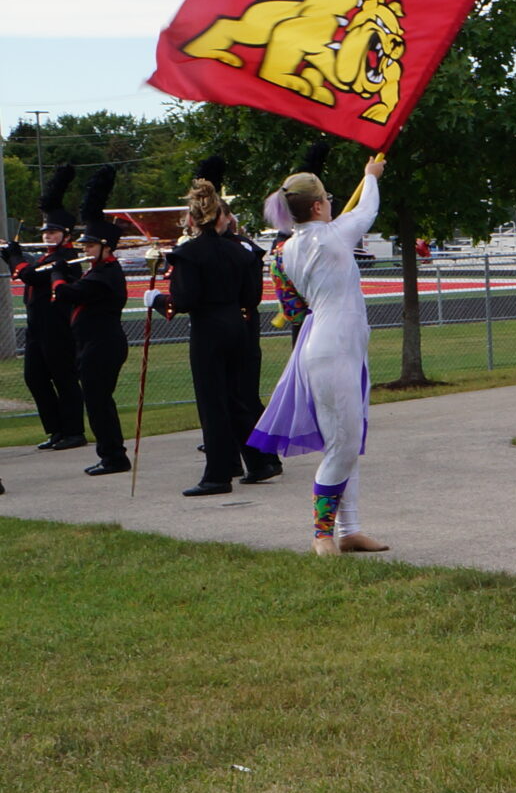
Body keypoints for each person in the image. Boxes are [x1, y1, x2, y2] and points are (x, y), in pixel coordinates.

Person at [249, 149, 388, 554]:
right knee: (342, 444)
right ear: (316, 205)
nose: (332, 201)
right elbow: (368, 209)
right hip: (333, 350)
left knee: (348, 438)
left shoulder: (284, 252)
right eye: (327, 197)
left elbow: (293, 309)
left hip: (332, 346)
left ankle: (351, 529)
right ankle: (322, 533)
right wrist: (372, 174)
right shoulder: (335, 234)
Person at [151, 158, 278, 495]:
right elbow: (251, 294)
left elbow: (185, 300)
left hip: (209, 329)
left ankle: (218, 474)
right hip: (239, 325)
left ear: (192, 218)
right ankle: (259, 460)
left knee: (213, 402)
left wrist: (158, 301)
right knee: (239, 398)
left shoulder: (188, 254)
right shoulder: (241, 251)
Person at [6, 164, 86, 450]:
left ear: (65, 234)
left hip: (57, 325)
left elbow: (28, 275)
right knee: (35, 377)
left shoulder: (67, 257)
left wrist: (14, 257)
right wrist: (12, 256)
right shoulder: (46, 256)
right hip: (37, 325)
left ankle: (74, 430)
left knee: (63, 377)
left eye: (53, 232)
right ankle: (55, 429)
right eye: (45, 231)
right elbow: (27, 271)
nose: (47, 235)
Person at [58, 166, 131, 476]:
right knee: (98, 401)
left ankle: (113, 456)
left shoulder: (105, 275)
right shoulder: (98, 270)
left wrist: (58, 274)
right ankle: (111, 453)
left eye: (89, 246)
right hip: (93, 343)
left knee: (99, 402)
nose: (85, 250)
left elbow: (68, 294)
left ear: (106, 247)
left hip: (103, 345)